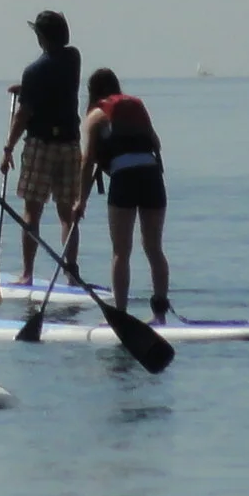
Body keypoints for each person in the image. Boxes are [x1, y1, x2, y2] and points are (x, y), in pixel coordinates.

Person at [76, 67, 170, 319]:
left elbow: (87, 162)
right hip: (152, 176)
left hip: (125, 179)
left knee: (121, 251)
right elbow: (156, 144)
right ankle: (160, 312)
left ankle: (120, 314)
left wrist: (80, 201)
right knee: (154, 248)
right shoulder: (136, 109)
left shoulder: (96, 116)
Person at [0, 10, 81, 287]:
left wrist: (8, 147)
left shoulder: (34, 71)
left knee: (32, 211)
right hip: (70, 143)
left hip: (41, 145)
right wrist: (25, 87)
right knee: (67, 212)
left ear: (42, 37)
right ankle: (71, 272)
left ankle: (27, 273)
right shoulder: (73, 59)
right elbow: (54, 82)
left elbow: (24, 114)